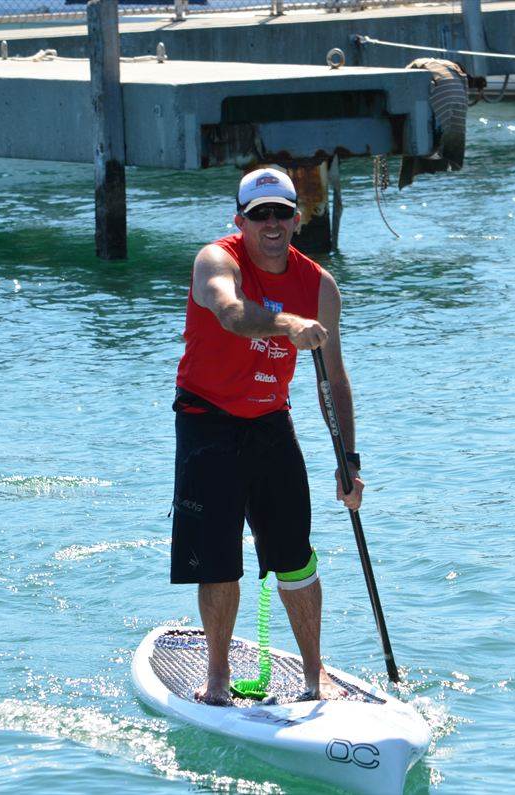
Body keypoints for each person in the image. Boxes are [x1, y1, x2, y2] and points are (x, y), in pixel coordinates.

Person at [170, 167, 364, 706]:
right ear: (241, 221)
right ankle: (216, 679)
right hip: (206, 419)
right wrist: (288, 325)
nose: (271, 223)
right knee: (218, 560)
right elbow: (231, 314)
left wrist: (348, 460)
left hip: (270, 422)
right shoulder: (216, 260)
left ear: (298, 219)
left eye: (281, 213)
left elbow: (334, 379)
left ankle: (315, 675)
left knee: (295, 555)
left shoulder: (319, 286)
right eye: (260, 215)